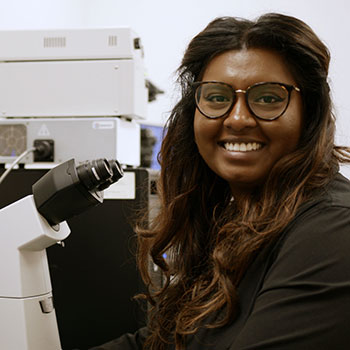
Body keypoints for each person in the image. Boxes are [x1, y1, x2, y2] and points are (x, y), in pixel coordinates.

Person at [90, 13, 350, 350]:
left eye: (268, 98)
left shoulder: (333, 231)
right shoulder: (236, 219)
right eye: (216, 97)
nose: (238, 118)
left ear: (309, 113)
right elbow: (165, 342)